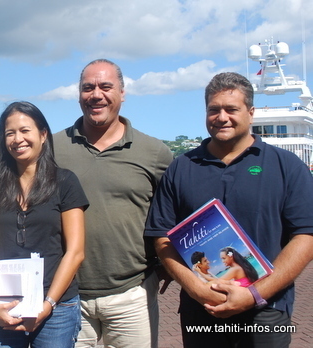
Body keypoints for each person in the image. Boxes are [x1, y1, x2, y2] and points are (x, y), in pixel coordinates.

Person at [145, 72, 313, 347]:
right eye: (214, 109)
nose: (221, 117)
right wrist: (196, 288)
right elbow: (162, 237)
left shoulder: (287, 166)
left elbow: (306, 237)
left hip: (265, 312)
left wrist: (255, 294)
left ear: (251, 113)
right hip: (201, 310)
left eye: (231, 109)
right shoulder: (181, 167)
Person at [53, 59, 173, 348]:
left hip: (133, 294)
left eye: (106, 86)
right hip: (67, 295)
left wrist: (168, 265)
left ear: (122, 92)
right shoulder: (51, 148)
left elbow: (174, 214)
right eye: (87, 88)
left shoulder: (154, 152)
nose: (96, 94)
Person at [0, 101, 88, 347]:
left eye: (25, 130)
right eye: (10, 133)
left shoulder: (66, 182)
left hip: (56, 309)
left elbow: (75, 252)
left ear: (43, 134)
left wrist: (48, 305)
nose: (18, 139)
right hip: (4, 304)